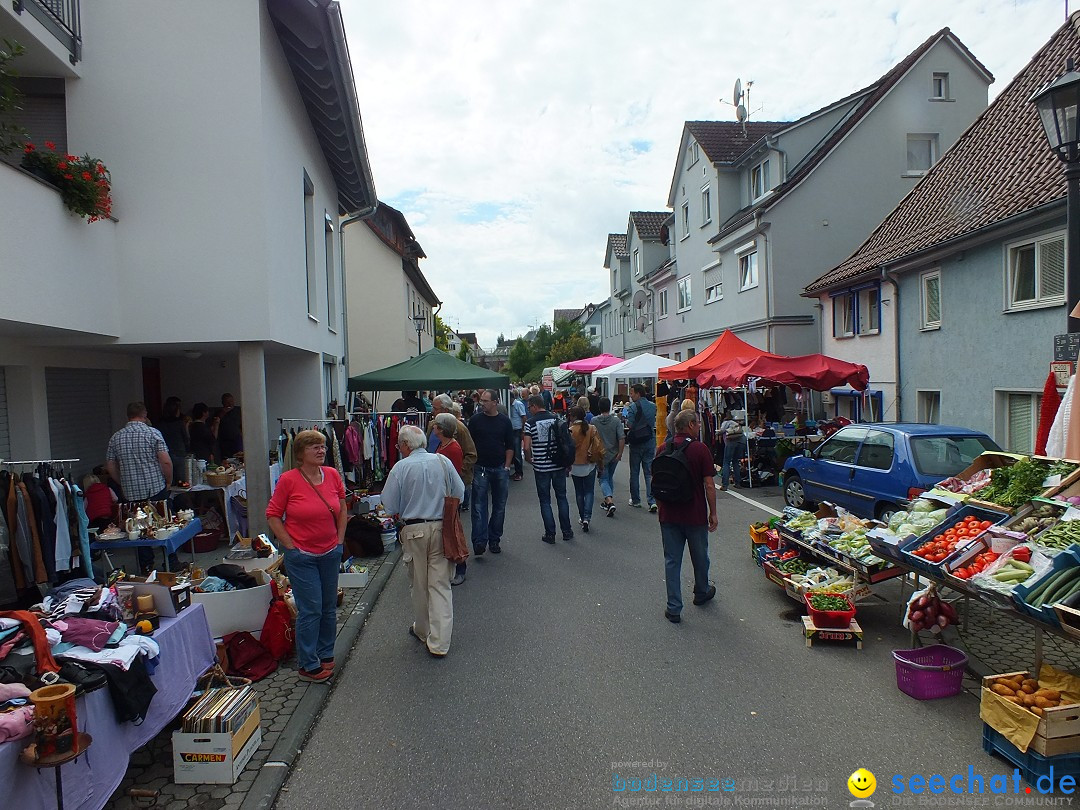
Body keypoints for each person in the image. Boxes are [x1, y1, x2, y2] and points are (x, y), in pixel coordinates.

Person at [265, 430, 348, 682]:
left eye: (322, 446)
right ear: (300, 453)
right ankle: (307, 662)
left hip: (330, 551)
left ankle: (325, 653)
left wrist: (340, 541)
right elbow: (273, 515)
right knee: (311, 609)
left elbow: (342, 507)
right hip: (302, 555)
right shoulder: (289, 480)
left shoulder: (332, 475)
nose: (321, 450)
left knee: (328, 607)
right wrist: (290, 546)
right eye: (314, 447)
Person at [380, 425, 463, 658]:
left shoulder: (400, 467)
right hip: (441, 527)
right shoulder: (442, 462)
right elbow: (460, 491)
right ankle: (440, 642)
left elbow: (390, 505)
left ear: (406, 445)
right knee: (440, 585)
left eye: (399, 445)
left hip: (414, 529)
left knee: (419, 584)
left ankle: (423, 630)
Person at [657, 409, 718, 623]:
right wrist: (713, 513)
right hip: (694, 514)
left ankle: (673, 607)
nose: (700, 427)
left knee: (672, 561)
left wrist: (661, 508)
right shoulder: (700, 449)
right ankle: (701, 591)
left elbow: (656, 483)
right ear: (690, 425)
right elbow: (709, 485)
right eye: (698, 423)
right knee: (700, 557)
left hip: (669, 514)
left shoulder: (662, 449)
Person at [105, 401, 177, 573]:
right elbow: (165, 461)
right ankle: (170, 561)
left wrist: (122, 482)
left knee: (138, 528)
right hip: (155, 487)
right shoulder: (153, 434)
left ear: (128, 415)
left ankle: (146, 565)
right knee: (163, 524)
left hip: (131, 492)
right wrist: (168, 481)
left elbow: (110, 465)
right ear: (145, 414)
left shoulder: (116, 437)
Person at [467, 389, 514, 555]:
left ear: (495, 402)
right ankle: (479, 541)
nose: (482, 404)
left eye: (486, 401)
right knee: (479, 507)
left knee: (499, 506)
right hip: (481, 467)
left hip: (500, 467)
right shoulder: (475, 421)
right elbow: (469, 444)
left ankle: (494, 539)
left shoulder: (504, 422)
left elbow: (510, 445)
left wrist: (507, 466)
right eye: (482, 401)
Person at [523, 395, 573, 543]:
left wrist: (529, 458)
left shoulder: (530, 423)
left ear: (534, 406)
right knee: (562, 497)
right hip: (558, 463)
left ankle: (550, 534)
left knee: (545, 500)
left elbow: (526, 446)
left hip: (541, 466)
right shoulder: (555, 418)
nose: (528, 410)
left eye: (529, 407)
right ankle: (567, 531)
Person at [568, 406, 604, 533]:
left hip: (575, 464)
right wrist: (601, 464)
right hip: (590, 463)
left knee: (579, 492)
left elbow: (568, 449)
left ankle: (582, 516)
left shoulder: (571, 430)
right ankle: (587, 518)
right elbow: (598, 447)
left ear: (573, 416)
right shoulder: (592, 428)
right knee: (589, 491)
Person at [625, 384, 657, 512]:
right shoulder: (653, 406)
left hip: (637, 442)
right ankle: (652, 500)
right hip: (649, 440)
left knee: (634, 471)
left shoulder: (632, 407)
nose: (631, 396)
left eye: (632, 393)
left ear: (638, 393)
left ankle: (636, 500)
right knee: (649, 472)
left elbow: (631, 425)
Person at [591, 397, 624, 517]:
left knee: (603, 479)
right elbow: (621, 438)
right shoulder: (616, 421)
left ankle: (609, 502)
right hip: (614, 453)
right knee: (609, 477)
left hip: (600, 455)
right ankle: (608, 501)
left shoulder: (594, 421)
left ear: (599, 407)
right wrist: (620, 453)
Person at [158, 396, 189, 485]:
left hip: (165, 454)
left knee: (169, 482)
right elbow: (186, 439)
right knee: (182, 483)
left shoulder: (160, 423)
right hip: (179, 453)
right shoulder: (179, 423)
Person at [720, 411, 748, 490]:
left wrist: (717, 433)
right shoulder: (735, 423)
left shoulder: (725, 422)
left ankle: (725, 485)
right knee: (735, 461)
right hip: (741, 441)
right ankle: (738, 483)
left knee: (726, 462)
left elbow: (722, 431)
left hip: (731, 442)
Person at [509, 388, 528, 481]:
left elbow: (524, 417)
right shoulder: (510, 405)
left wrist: (522, 430)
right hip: (512, 430)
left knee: (517, 451)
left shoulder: (518, 404)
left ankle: (519, 472)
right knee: (512, 450)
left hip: (517, 430)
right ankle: (516, 471)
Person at [217, 393, 243, 459]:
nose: (230, 404)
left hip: (237, 440)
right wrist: (224, 412)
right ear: (223, 403)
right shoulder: (219, 412)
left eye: (231, 401)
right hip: (224, 441)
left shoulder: (238, 411)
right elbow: (216, 423)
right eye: (227, 402)